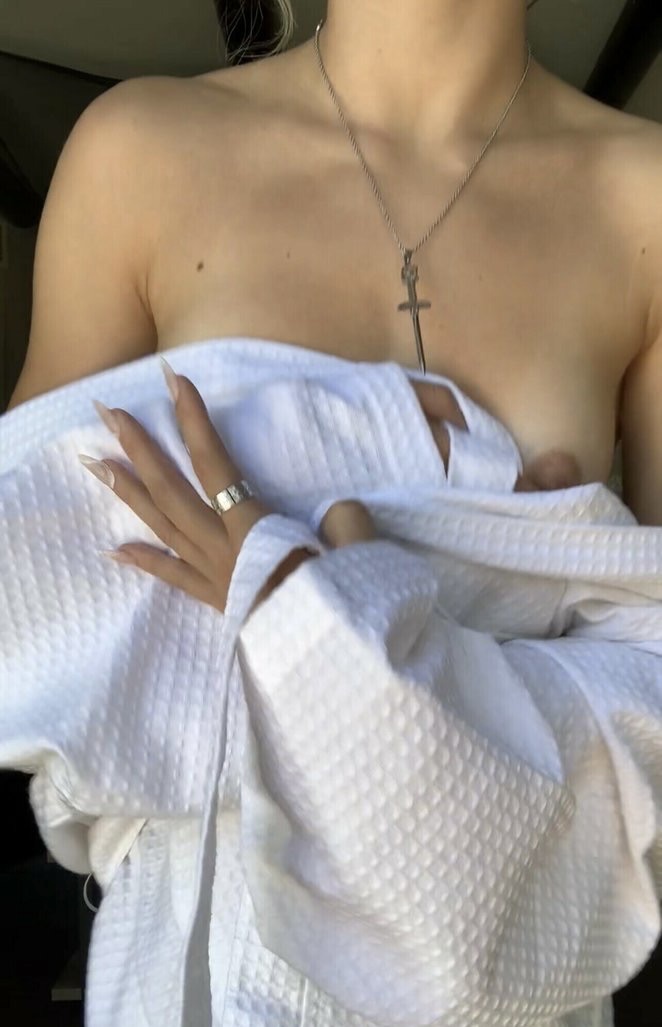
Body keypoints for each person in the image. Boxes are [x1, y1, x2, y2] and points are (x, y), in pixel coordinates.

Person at [3, 3, 662, 1026]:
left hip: (502, 963)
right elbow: (30, 606)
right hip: (205, 963)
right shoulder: (139, 153)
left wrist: (305, 618)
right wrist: (461, 605)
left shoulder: (642, 195)